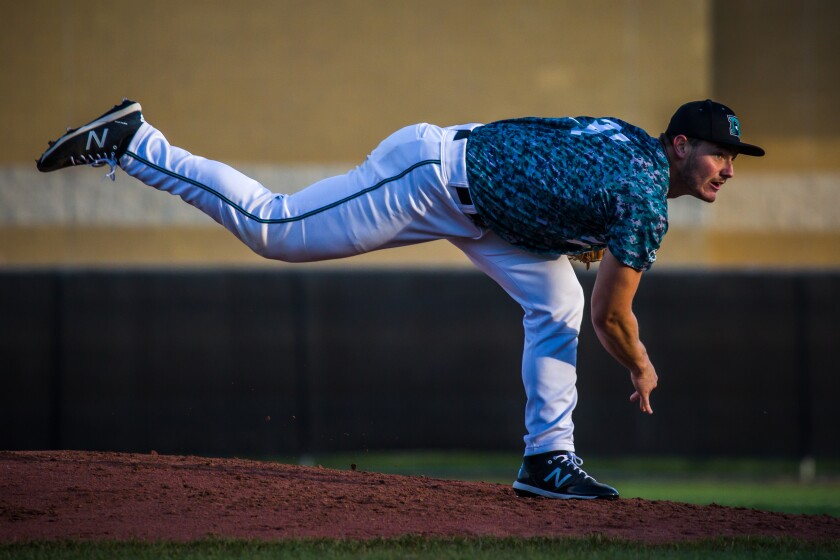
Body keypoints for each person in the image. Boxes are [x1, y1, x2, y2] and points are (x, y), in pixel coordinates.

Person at [37, 98, 764, 500]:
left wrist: (556, 222)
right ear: (677, 146)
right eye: (715, 152)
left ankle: (548, 459)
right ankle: (136, 143)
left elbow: (550, 156)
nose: (727, 168)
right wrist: (638, 364)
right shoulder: (646, 194)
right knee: (275, 228)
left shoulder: (627, 142)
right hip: (431, 177)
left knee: (558, 304)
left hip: (483, 202)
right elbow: (616, 315)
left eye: (733, 158)